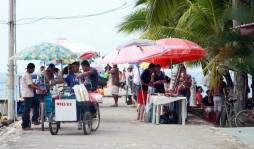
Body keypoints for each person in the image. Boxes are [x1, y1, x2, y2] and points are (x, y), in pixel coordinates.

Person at [21, 63, 47, 130]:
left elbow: (31, 83)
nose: (33, 70)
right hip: (28, 95)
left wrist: (36, 85)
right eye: (33, 69)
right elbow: (30, 85)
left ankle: (34, 119)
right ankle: (25, 125)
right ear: (30, 68)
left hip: (30, 95)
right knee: (26, 110)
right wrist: (40, 88)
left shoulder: (28, 75)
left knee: (36, 104)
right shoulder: (27, 75)